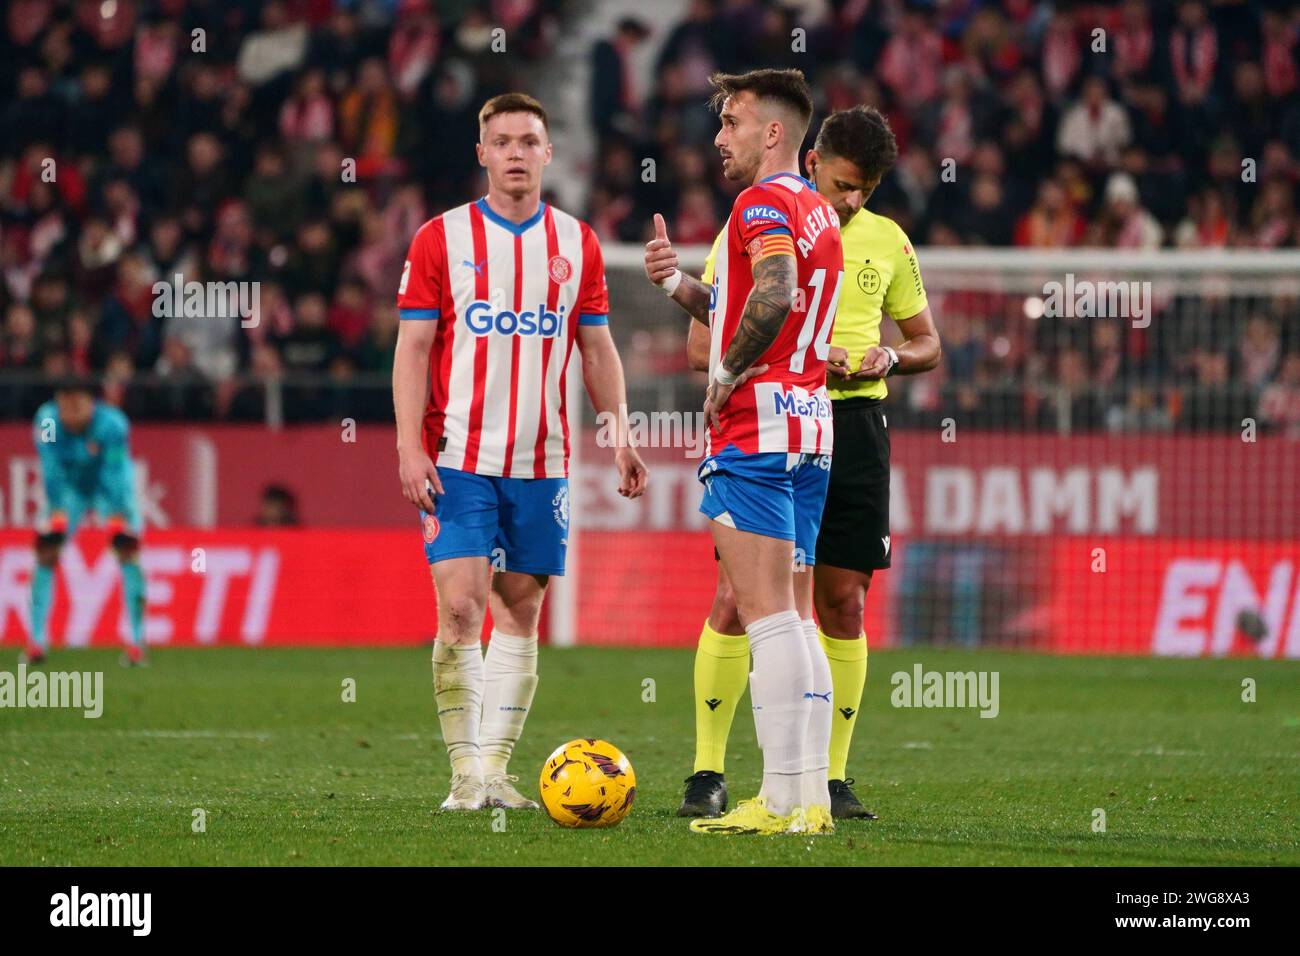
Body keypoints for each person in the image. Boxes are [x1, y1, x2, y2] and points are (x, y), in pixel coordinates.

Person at [647, 105, 941, 821]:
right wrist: (680, 288)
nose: (852, 202)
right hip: (802, 416)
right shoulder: (785, 220)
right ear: (810, 159)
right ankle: (719, 773)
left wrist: (885, 358)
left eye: (865, 191)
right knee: (767, 609)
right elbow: (706, 334)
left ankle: (808, 788)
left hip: (818, 420)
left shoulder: (851, 232)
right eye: (844, 184)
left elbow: (920, 341)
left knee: (814, 608)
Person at [392, 93, 647, 812]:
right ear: (481, 153)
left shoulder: (577, 243)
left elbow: (596, 346)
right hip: (459, 455)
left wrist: (620, 430)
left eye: (526, 140)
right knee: (461, 609)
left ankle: (497, 770)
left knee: (521, 610)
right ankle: (464, 772)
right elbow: (412, 348)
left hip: (543, 461)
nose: (513, 152)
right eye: (500, 141)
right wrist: (410, 448)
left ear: (547, 152)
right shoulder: (440, 239)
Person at [649, 68, 844, 835]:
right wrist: (678, 288)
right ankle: (812, 800)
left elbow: (771, 292)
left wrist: (726, 371)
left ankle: (780, 799)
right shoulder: (819, 210)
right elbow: (754, 302)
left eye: (732, 121)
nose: (719, 136)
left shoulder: (760, 202)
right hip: (811, 423)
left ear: (772, 132)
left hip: (756, 429)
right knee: (795, 618)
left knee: (765, 620)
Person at [27, 379, 148, 666]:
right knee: (46, 551)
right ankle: (36, 642)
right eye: (64, 404)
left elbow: (116, 471)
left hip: (109, 489)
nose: (69, 412)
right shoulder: (47, 421)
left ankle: (136, 642)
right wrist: (56, 510)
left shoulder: (113, 425)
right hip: (70, 490)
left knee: (128, 550)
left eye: (77, 404)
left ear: (92, 403)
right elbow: (50, 466)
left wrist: (118, 514)